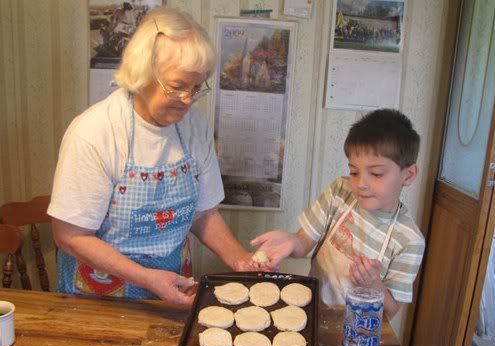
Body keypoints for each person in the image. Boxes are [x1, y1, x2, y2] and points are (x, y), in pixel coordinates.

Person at [48, 7, 255, 308]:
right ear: (142, 72)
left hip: (171, 292)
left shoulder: (195, 128)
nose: (187, 100)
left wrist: (242, 261)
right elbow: (69, 235)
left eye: (197, 87)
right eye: (177, 86)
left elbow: (203, 214)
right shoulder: (95, 133)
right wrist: (146, 278)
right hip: (100, 299)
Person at [251, 109, 425, 319]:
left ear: (408, 175)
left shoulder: (409, 240)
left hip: (358, 334)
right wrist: (290, 241)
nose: (361, 184)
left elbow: (392, 310)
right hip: (313, 312)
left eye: (377, 174)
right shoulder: (340, 192)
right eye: (354, 172)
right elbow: (304, 241)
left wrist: (373, 283)